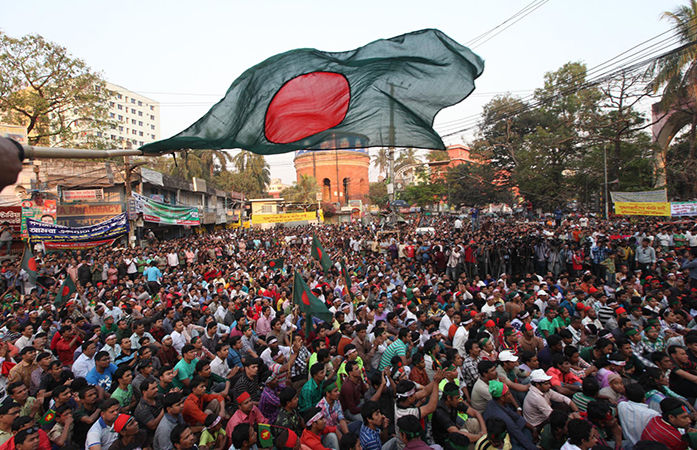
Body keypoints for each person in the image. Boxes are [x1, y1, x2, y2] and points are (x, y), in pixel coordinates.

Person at [482, 380, 536, 450]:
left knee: (527, 430)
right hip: (501, 437)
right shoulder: (502, 416)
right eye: (508, 394)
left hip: (506, 431)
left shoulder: (495, 402)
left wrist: (533, 428)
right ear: (502, 398)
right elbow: (515, 432)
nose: (510, 396)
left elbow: (516, 417)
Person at [432, 381, 486, 447]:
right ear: (449, 398)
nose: (459, 400)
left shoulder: (455, 403)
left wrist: (484, 431)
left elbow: (476, 413)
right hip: (446, 442)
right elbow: (457, 433)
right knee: (463, 437)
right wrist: (480, 436)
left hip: (456, 432)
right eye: (457, 398)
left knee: (474, 422)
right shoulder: (440, 411)